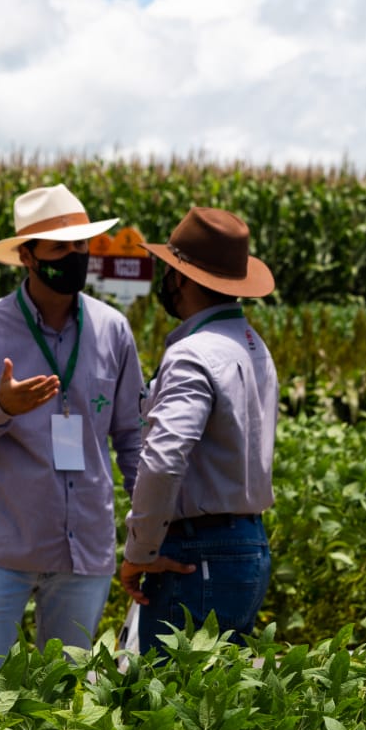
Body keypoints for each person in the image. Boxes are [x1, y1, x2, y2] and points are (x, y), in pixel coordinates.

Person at [0, 182, 149, 667]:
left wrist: (147, 525)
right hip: (0, 551)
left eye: (81, 245)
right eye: (59, 249)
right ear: (27, 256)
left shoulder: (112, 329)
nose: (75, 256)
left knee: (66, 694)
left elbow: (132, 437)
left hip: (84, 551)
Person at [118, 207, 279, 654]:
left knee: (171, 691)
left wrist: (140, 551)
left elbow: (163, 460)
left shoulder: (192, 354)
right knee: (220, 690)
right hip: (249, 544)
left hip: (195, 552)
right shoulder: (254, 346)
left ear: (182, 278)